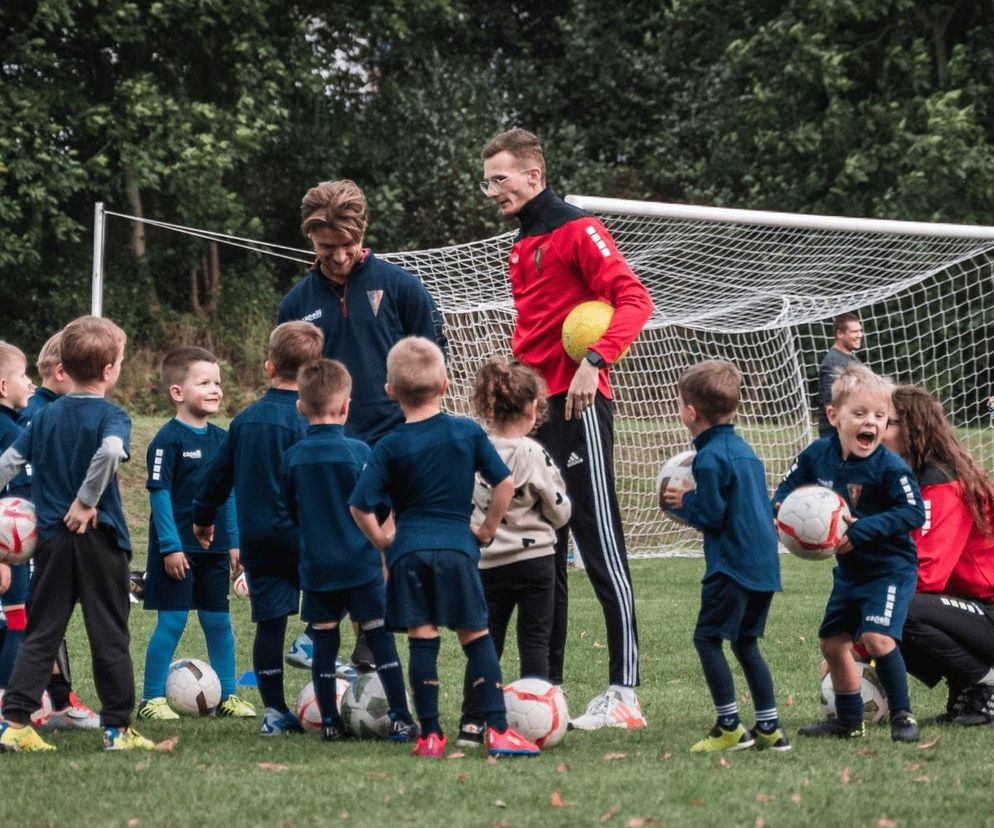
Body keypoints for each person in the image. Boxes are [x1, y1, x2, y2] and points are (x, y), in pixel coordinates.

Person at [481, 128, 653, 730]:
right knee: (542, 551)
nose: (492, 190)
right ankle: (544, 688)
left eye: (500, 178)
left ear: (534, 175)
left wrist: (595, 361)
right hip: (534, 416)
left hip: (579, 408)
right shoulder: (521, 242)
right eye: (488, 180)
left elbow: (635, 300)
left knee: (600, 545)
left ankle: (625, 695)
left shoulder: (580, 230)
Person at [278, 179, 447, 671]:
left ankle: (370, 650)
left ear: (363, 233)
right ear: (311, 239)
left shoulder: (400, 286)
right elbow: (290, 382)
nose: (336, 257)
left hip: (397, 438)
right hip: (328, 444)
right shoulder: (296, 304)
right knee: (338, 545)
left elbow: (434, 362)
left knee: (387, 546)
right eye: (326, 248)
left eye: (346, 247)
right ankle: (329, 636)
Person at [349, 337, 540, 759]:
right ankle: (500, 731)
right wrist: (487, 528)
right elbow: (504, 482)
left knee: (423, 637)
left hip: (410, 553)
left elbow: (360, 505)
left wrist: (382, 541)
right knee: (477, 636)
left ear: (390, 391)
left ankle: (430, 736)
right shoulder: (467, 431)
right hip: (458, 549)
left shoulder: (389, 445)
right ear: (445, 385)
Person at [0, 316, 155, 752]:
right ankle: (117, 730)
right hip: (99, 539)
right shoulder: (111, 414)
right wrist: (87, 502)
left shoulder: (44, 417)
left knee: (42, 631)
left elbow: (10, 461)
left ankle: (14, 724)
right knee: (108, 632)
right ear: (109, 370)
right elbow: (109, 451)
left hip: (50, 541)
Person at [774, 363, 926, 742]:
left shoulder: (890, 467)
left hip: (889, 569)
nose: (871, 423)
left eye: (879, 416)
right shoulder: (817, 455)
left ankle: (903, 716)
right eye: (860, 414)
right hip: (850, 573)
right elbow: (787, 489)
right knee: (832, 643)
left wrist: (861, 530)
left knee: (877, 639)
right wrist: (782, 509)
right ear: (833, 415)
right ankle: (848, 719)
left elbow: (913, 512)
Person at [193, 321, 324, 736]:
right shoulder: (313, 422)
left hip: (259, 540)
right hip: (307, 536)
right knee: (329, 608)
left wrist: (202, 516)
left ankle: (274, 712)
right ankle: (321, 677)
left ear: (269, 367)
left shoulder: (245, 421)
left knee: (270, 622)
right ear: (316, 370)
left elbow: (218, 476)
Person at [280, 358, 417, 742]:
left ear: (300, 406)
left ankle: (329, 723)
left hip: (318, 567)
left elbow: (290, 510)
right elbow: (380, 504)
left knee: (323, 642)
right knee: (378, 636)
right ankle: (401, 718)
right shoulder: (359, 453)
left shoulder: (292, 458)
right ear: (345, 406)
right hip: (360, 564)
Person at [663, 360, 789, 752]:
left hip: (731, 568)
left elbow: (713, 515)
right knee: (746, 644)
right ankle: (770, 728)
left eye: (680, 402)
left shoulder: (710, 457)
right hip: (763, 567)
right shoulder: (745, 451)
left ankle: (730, 727)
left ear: (690, 411)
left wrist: (685, 502)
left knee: (707, 639)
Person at [456, 357, 572, 748]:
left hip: (486, 564)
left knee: (485, 644)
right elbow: (560, 509)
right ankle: (533, 722)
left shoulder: (472, 451)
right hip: (535, 563)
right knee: (535, 643)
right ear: (531, 408)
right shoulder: (532, 454)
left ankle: (471, 725)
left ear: (488, 407)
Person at [137, 347, 255, 722]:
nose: (215, 389)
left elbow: (231, 493)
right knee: (171, 622)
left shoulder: (224, 440)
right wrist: (170, 547)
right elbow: (159, 496)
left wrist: (235, 541)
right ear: (177, 392)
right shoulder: (166, 441)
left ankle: (228, 695)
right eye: (204, 382)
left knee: (218, 622)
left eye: (217, 383)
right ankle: (152, 698)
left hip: (215, 551)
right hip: (177, 553)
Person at [883, 385, 994, 725]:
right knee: (884, 602)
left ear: (912, 428)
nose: (875, 429)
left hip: (988, 610)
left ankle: (986, 682)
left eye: (885, 421)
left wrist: (864, 634)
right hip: (974, 610)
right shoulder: (913, 480)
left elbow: (927, 574)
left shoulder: (943, 482)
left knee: (900, 606)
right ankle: (966, 683)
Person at [7, 331, 101, 730]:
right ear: (64, 372)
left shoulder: (44, 411)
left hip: (41, 536)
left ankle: (54, 698)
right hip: (32, 539)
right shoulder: (38, 416)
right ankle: (53, 702)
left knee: (43, 619)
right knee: (37, 620)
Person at [0, 341, 34, 693]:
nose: (30, 383)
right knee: (17, 623)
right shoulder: (9, 434)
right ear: (3, 387)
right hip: (9, 550)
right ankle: (7, 707)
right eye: (23, 375)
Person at [817, 313, 863, 437]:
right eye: (854, 331)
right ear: (840, 334)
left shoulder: (851, 358)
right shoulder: (833, 363)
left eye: (860, 331)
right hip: (835, 433)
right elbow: (830, 403)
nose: (859, 335)